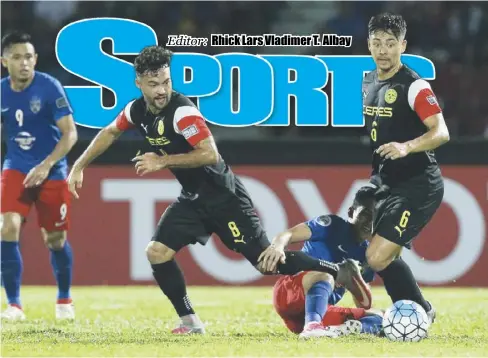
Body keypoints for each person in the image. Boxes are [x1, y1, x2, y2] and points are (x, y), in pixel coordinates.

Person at [66, 45, 371, 334]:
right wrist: (79, 165)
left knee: (266, 261)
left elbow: (209, 153)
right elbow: (109, 132)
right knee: (157, 252)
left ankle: (337, 269)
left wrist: (163, 161)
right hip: (193, 199)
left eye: (166, 81)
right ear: (139, 83)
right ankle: (190, 321)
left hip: (224, 198)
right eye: (153, 83)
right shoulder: (138, 111)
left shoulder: (182, 112)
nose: (161, 90)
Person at [362, 13, 450, 323]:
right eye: (376, 43)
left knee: (376, 257)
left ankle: (419, 312)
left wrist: (407, 146)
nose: (382, 50)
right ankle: (415, 314)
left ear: (403, 45)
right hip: (387, 183)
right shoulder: (368, 80)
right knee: (376, 255)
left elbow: (441, 132)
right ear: (368, 45)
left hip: (418, 184)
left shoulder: (414, 85)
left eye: (390, 43)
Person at [1, 31, 78, 321]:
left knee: (55, 239)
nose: (24, 63)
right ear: (4, 61)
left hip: (52, 170)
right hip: (16, 167)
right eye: (18, 57)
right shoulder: (1, 91)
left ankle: (64, 299)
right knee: (6, 227)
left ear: (36, 59)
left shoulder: (49, 87)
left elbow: (70, 134)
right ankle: (14, 305)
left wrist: (46, 165)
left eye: (29, 57)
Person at [263, 186, 381, 339]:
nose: (370, 222)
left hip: (321, 310)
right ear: (351, 212)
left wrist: (357, 286)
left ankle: (339, 329)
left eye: (376, 217)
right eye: (366, 214)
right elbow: (289, 234)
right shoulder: (332, 226)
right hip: (290, 294)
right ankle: (313, 326)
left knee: (380, 317)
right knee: (327, 275)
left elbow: (363, 304)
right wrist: (277, 246)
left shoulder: (368, 255)